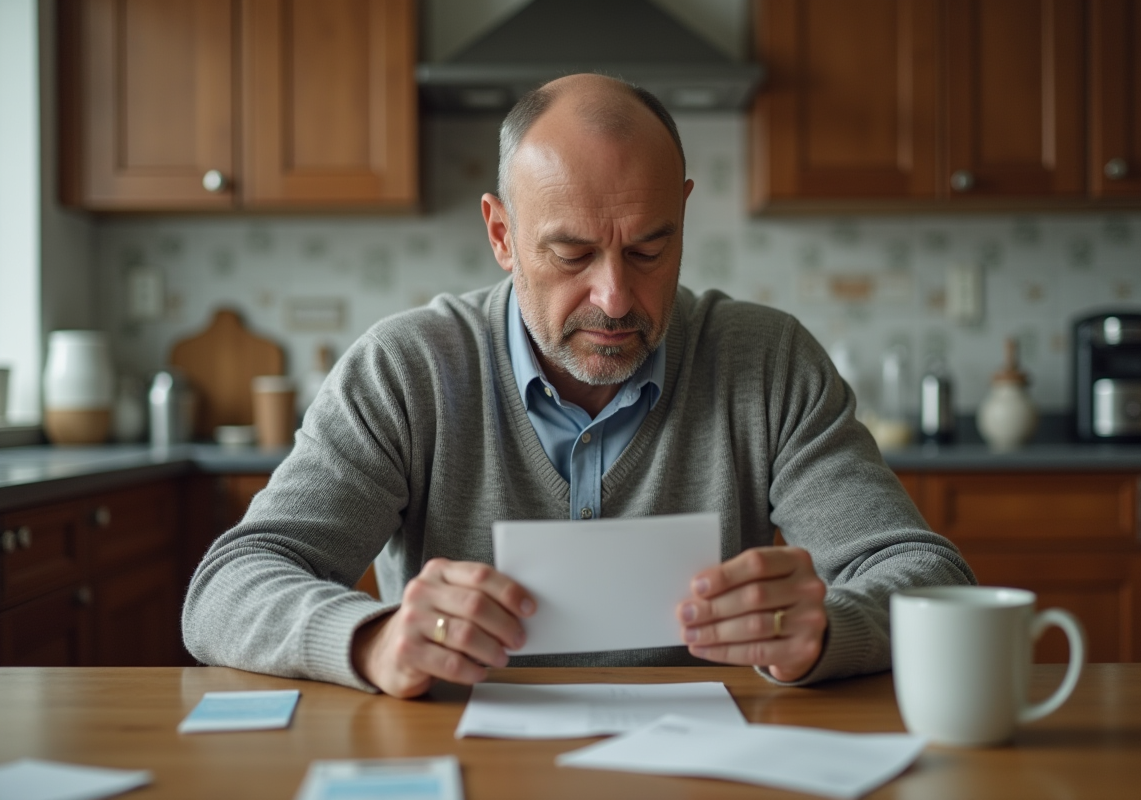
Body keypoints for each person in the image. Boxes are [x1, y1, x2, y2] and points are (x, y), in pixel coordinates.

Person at [183, 74, 974, 698]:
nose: (615, 298)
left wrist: (828, 632)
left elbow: (930, 576)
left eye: (650, 250)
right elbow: (227, 588)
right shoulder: (406, 370)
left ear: (685, 217)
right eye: (571, 255)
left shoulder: (766, 363)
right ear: (501, 234)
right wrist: (370, 639)